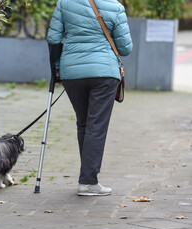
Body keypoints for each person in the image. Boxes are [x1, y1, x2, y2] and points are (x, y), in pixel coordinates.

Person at [47, 0, 133, 196]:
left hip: (72, 73)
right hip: (104, 73)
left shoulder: (64, 3)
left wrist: (56, 70)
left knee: (84, 123)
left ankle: (87, 177)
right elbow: (125, 49)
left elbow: (53, 38)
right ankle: (88, 181)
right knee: (96, 126)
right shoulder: (116, 7)